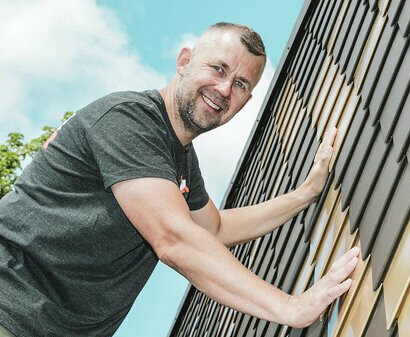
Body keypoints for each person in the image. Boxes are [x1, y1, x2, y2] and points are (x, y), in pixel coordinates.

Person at [0, 23, 359, 337]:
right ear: (185, 61)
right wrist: (290, 308)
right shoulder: (129, 121)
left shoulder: (179, 158)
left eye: (240, 84)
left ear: (246, 103)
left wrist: (306, 194)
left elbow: (213, 230)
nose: (223, 89)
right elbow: (174, 239)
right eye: (218, 69)